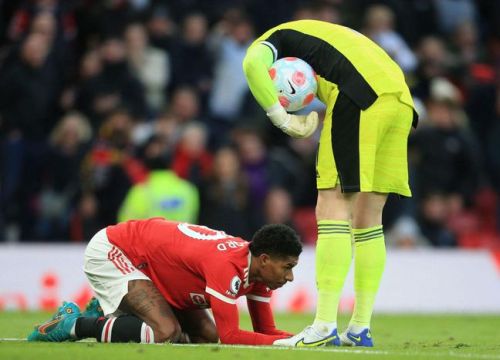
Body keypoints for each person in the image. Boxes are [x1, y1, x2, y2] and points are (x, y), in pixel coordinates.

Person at [242, 19, 418, 347]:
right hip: (400, 98)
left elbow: (252, 63)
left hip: (358, 94)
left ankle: (324, 324)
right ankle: (360, 327)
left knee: (332, 204)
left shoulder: (273, 38)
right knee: (369, 216)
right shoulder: (317, 39)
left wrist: (281, 118)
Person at [27, 218, 302, 345]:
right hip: (116, 249)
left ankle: (107, 313)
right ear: (264, 259)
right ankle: (72, 324)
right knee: (164, 333)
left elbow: (265, 329)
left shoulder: (258, 273)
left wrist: (303, 340)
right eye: (287, 267)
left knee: (205, 337)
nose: (289, 277)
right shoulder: (227, 266)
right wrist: (286, 344)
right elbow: (231, 336)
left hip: (156, 267)